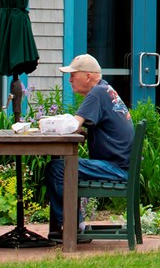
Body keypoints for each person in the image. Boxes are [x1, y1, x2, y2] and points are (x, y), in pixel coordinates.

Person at [47, 54, 133, 244]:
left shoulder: (96, 93)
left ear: (87, 76)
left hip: (115, 168)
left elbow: (72, 125)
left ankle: (70, 228)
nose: (69, 79)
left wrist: (47, 125)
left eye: (73, 75)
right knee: (60, 167)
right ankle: (69, 227)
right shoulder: (105, 90)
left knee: (57, 168)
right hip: (120, 165)